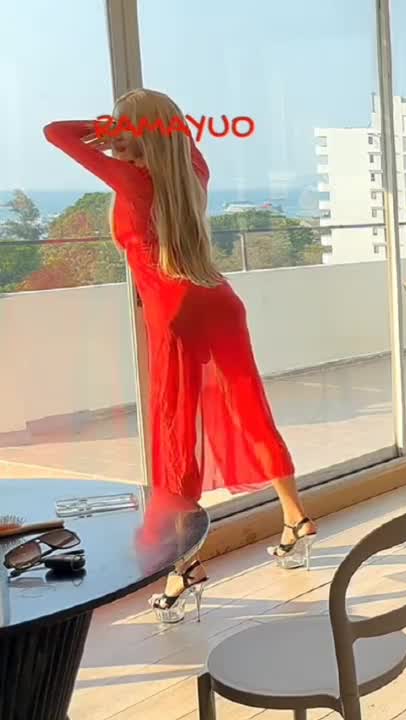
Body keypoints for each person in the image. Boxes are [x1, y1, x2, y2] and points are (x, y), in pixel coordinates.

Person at [44, 89, 318, 624]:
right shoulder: (194, 170)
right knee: (253, 414)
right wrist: (144, 128)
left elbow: (56, 132)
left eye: (123, 127)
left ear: (136, 133)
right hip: (219, 300)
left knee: (176, 441)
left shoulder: (131, 180)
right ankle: (296, 518)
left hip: (174, 314)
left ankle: (183, 567)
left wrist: (114, 131)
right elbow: (173, 135)